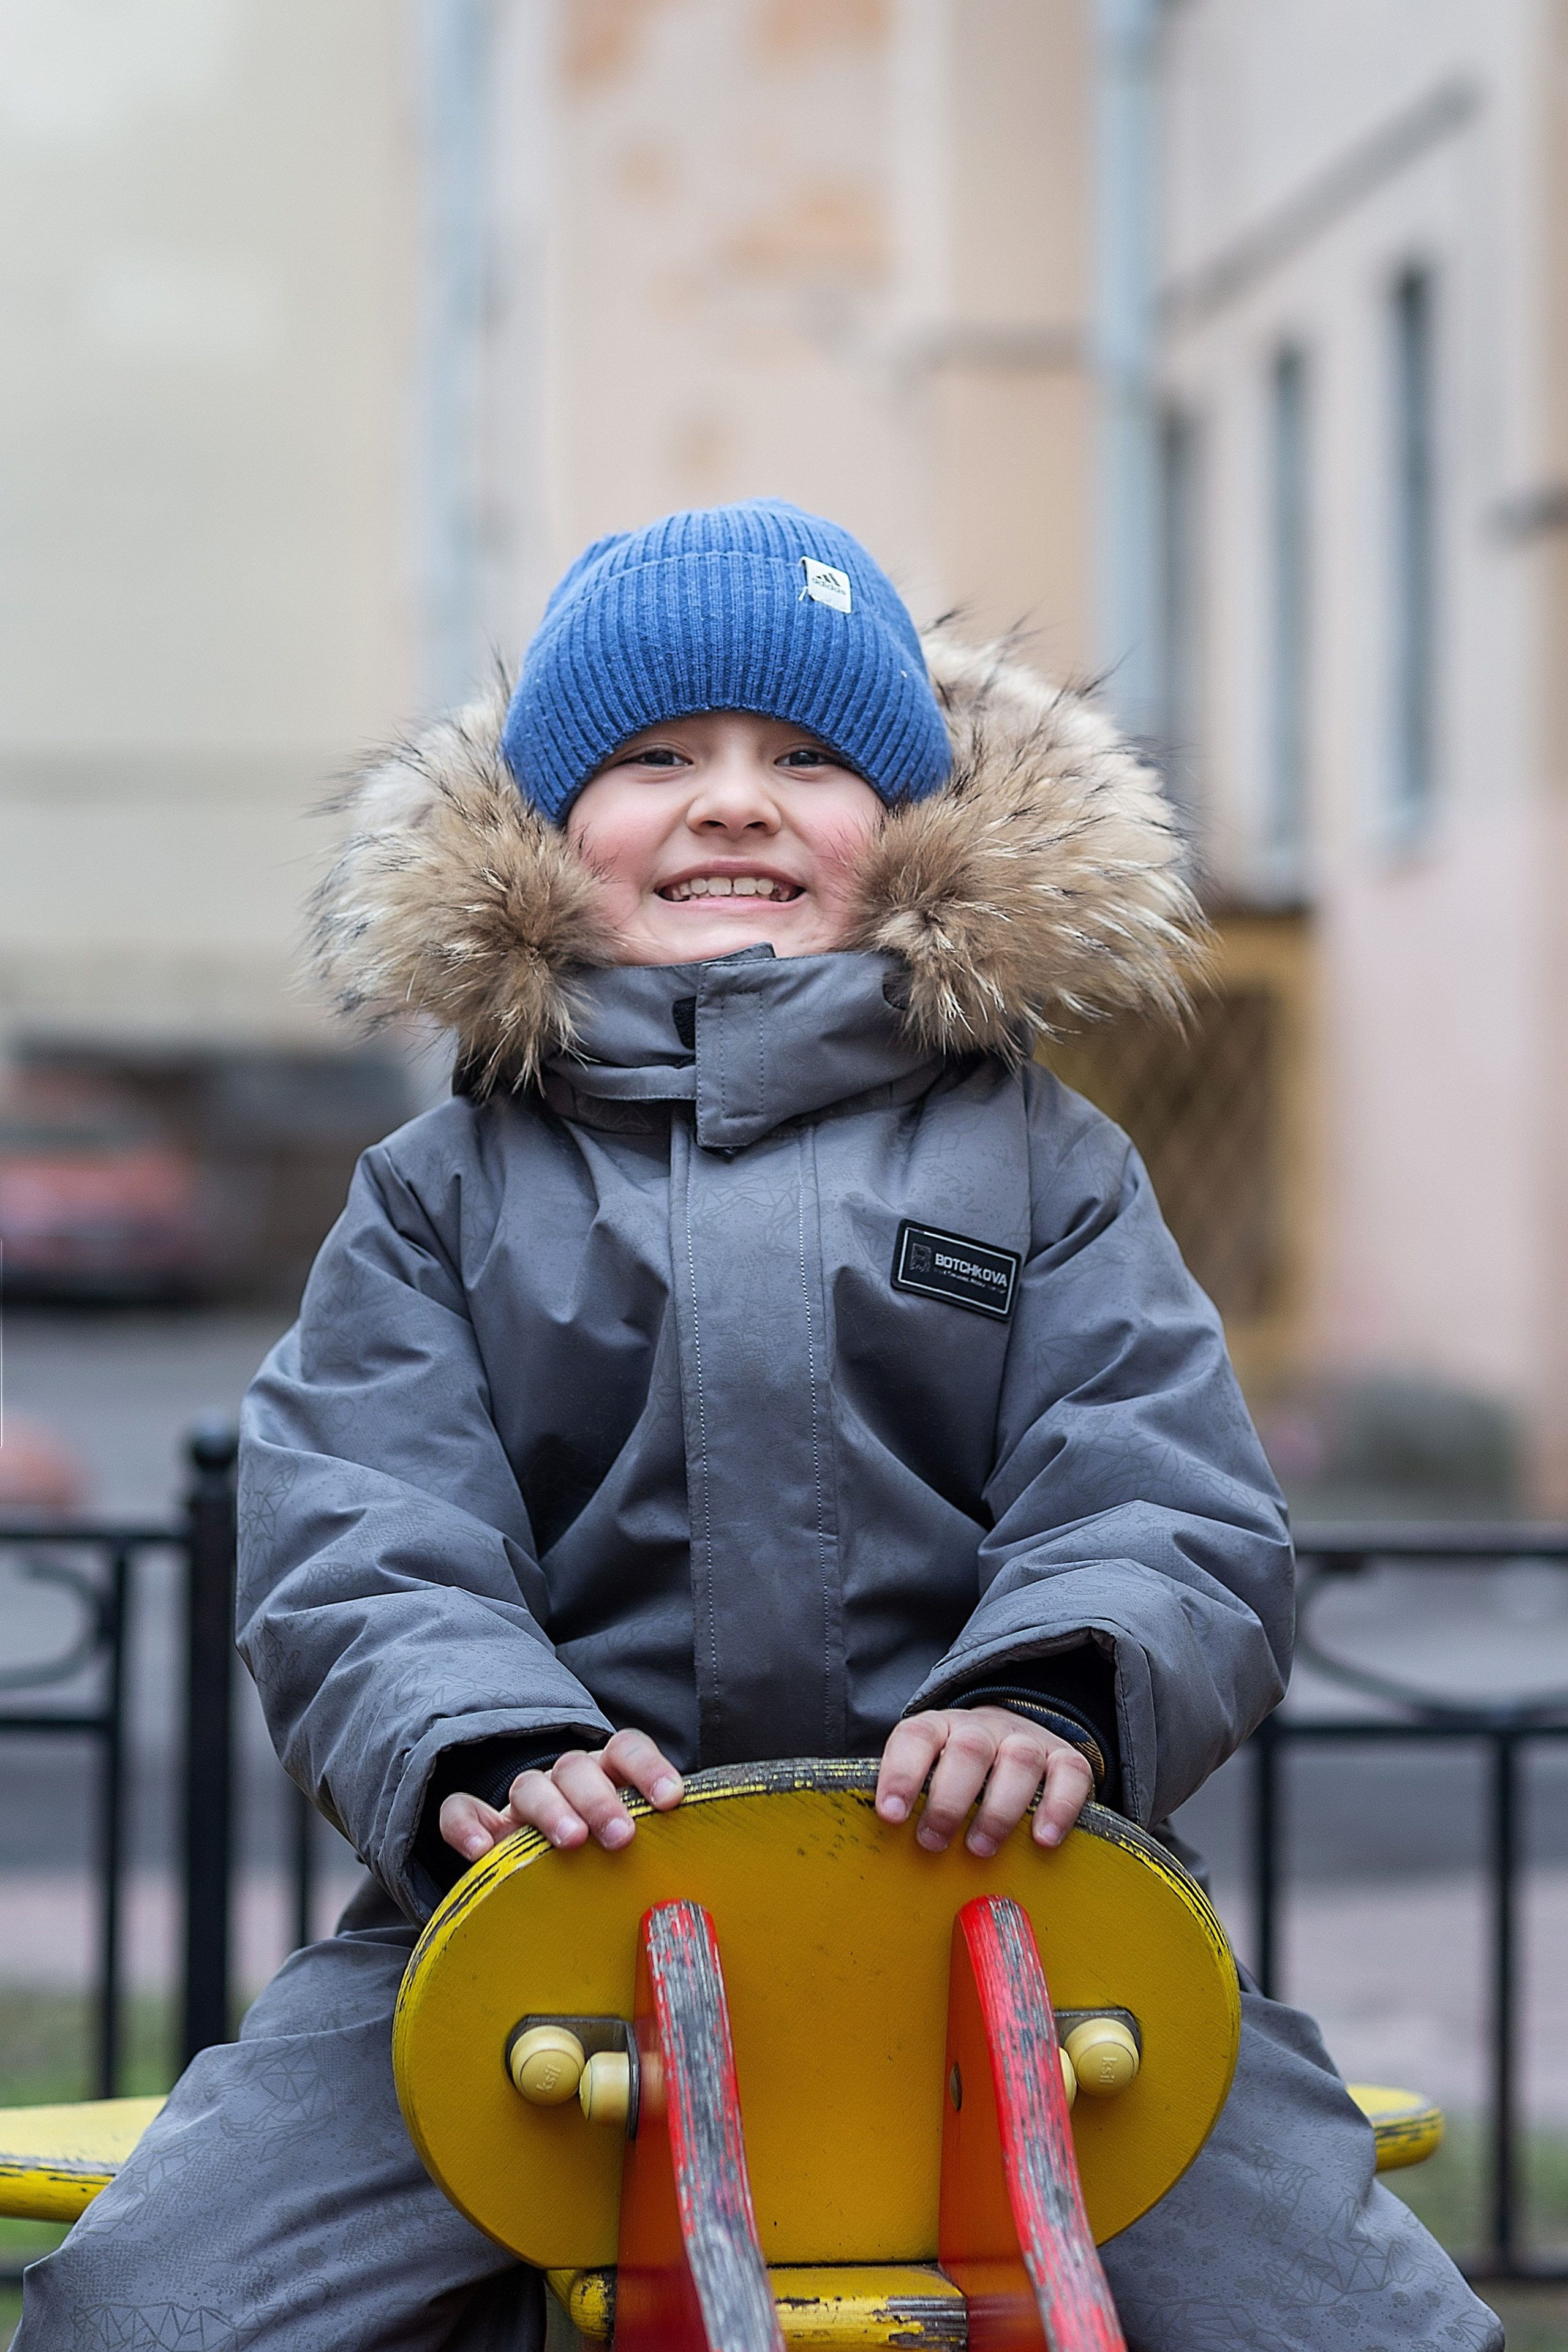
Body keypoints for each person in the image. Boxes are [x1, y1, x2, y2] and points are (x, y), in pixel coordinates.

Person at [17, 500, 1499, 2350]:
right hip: (543, 1917)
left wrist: (1052, 1697)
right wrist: (489, 1738)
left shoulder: (1044, 1163)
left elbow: (1159, 1486)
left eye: (808, 758)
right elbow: (360, 1535)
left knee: (1360, 2324)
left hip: (1016, 1925)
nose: (734, 801)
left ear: (912, 834)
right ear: (550, 837)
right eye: (657, 758)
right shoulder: (443, 1190)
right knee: (154, 2307)